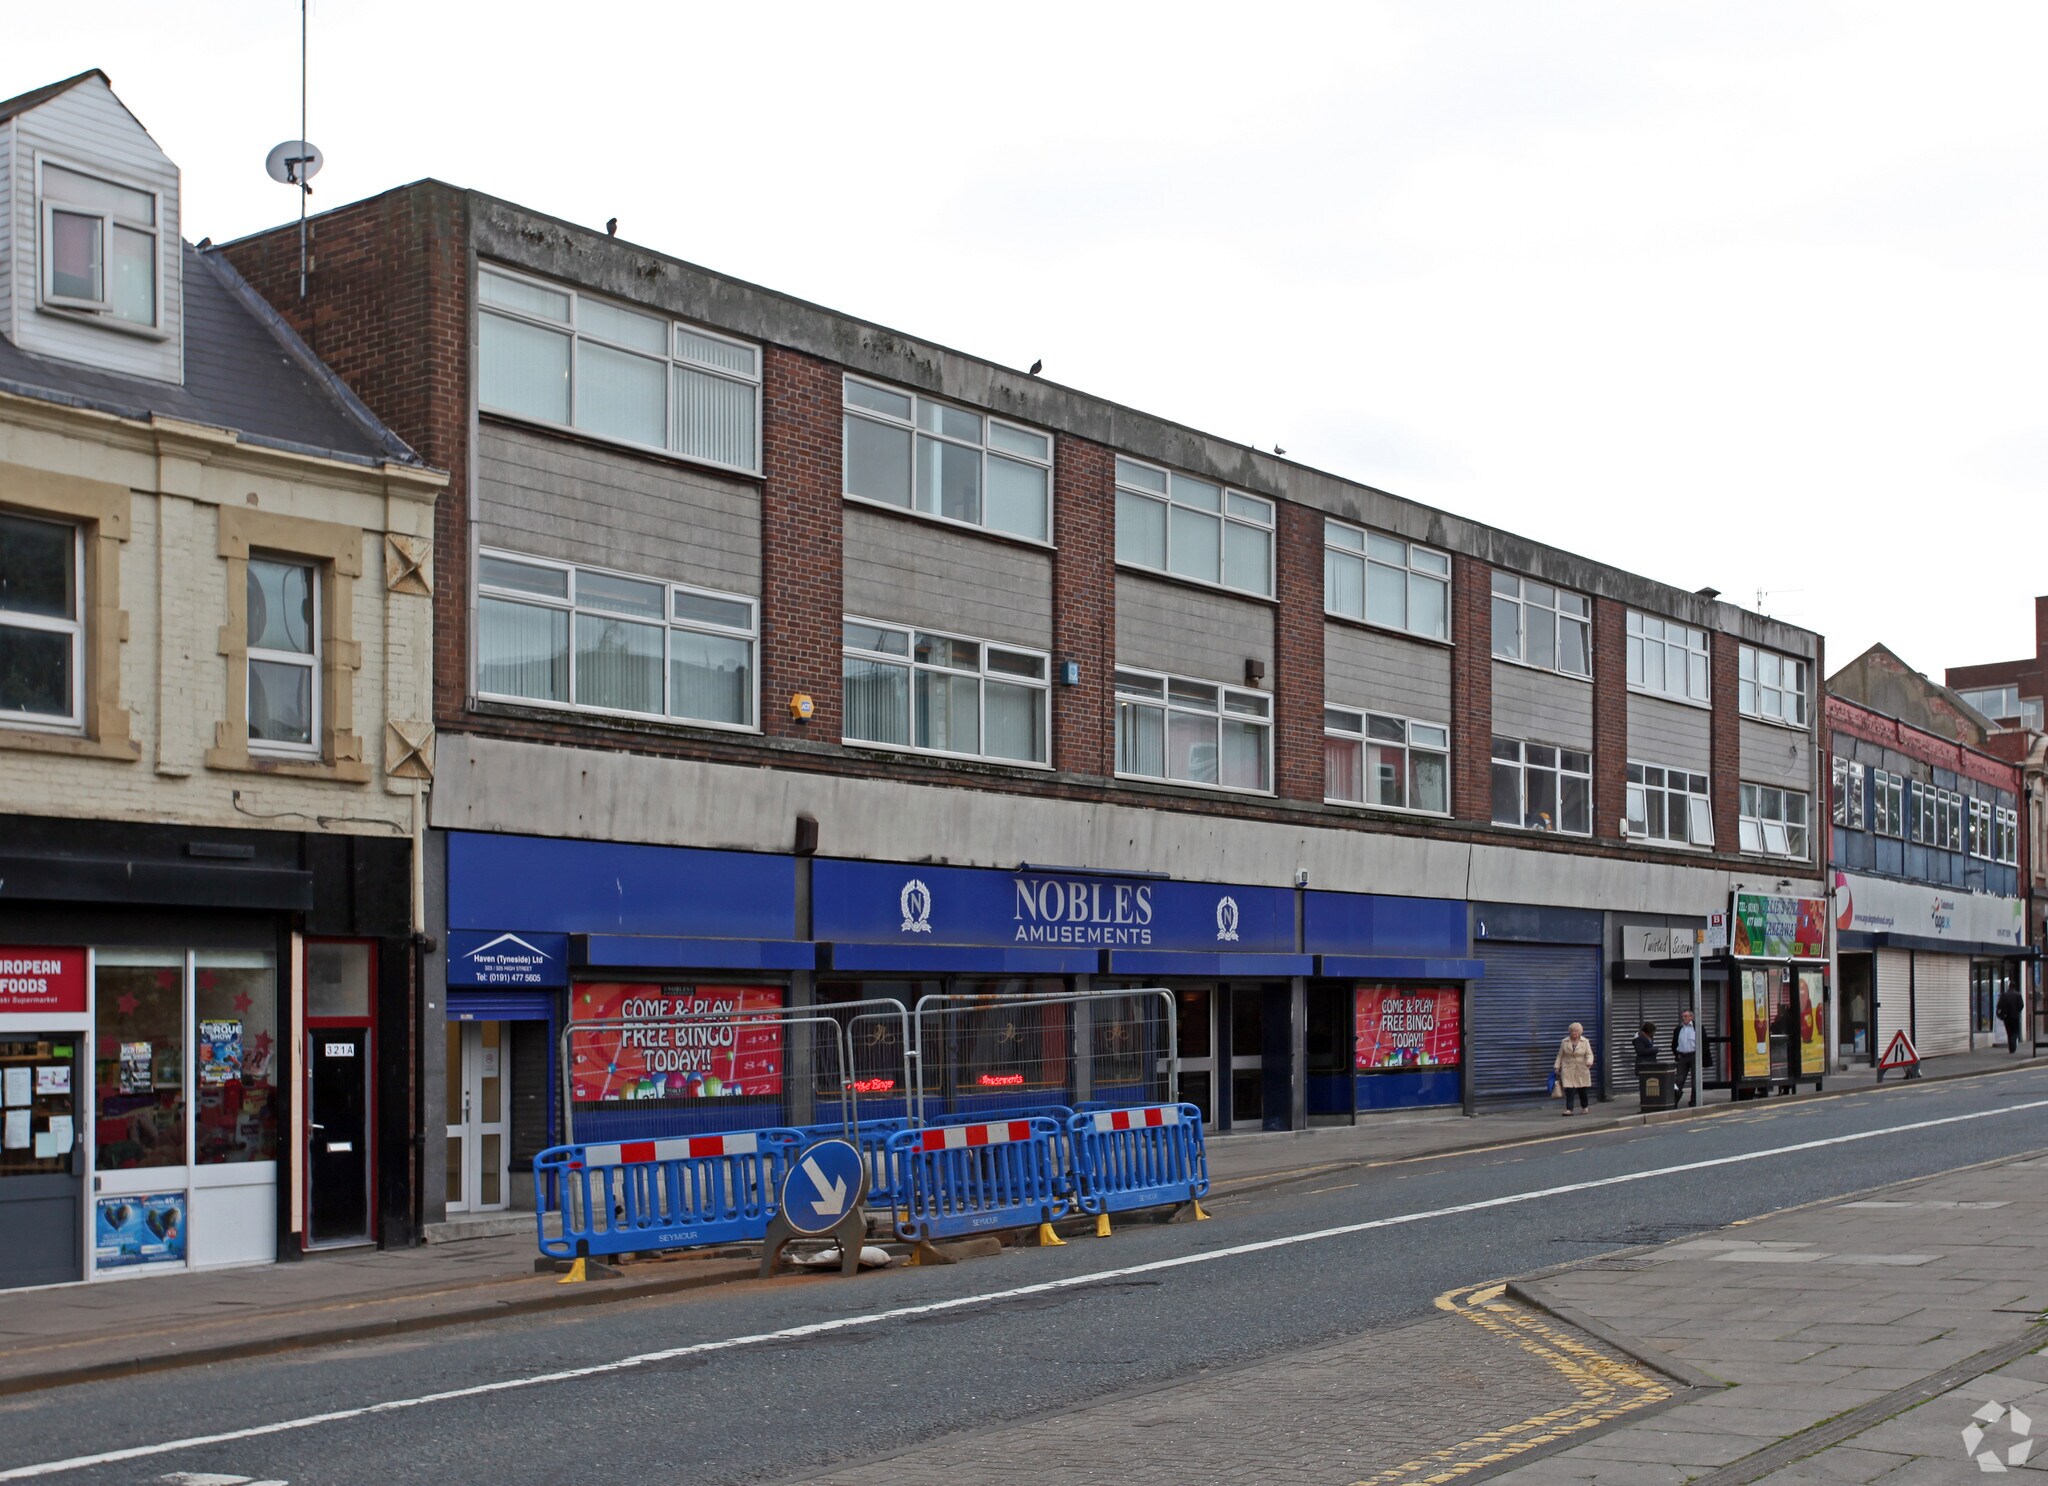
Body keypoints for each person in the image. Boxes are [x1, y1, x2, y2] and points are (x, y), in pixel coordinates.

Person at [1554, 1022, 1594, 1115]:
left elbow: (1589, 1054)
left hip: (1581, 1068)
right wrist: (1557, 1066)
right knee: (1569, 1090)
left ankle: (1585, 1107)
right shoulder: (1564, 1042)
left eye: (1576, 1031)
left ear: (1580, 1032)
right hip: (1568, 1068)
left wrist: (1589, 1062)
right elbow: (1560, 1055)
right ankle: (1569, 1109)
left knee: (1582, 1089)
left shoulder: (1585, 1042)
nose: (1574, 1033)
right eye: (1572, 1031)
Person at [1671, 1009, 1700, 1104]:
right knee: (1678, 1079)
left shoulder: (1697, 1028)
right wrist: (1677, 1054)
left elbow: (1704, 1042)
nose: (1683, 1018)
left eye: (1685, 1016)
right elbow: (1674, 1043)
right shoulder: (1679, 1029)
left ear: (1691, 1017)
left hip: (1694, 1055)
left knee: (1695, 1079)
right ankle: (1674, 1101)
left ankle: (1694, 1101)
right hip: (1682, 1056)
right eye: (1682, 1016)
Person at [1998, 982, 2025, 1054]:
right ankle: (2013, 1045)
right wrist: (2017, 1011)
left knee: (2009, 1032)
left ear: (2009, 986)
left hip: (2006, 1016)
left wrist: (2000, 1014)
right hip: (2015, 1016)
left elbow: (1999, 1005)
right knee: (2015, 1032)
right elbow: (2021, 1005)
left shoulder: (2004, 995)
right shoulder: (2018, 995)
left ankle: (2011, 1047)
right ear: (2015, 987)